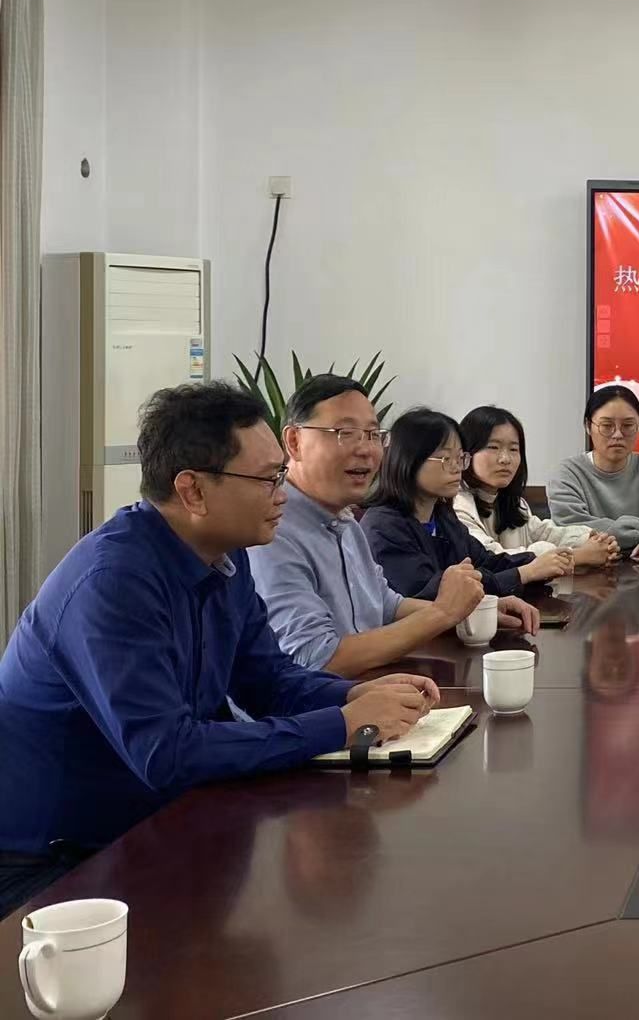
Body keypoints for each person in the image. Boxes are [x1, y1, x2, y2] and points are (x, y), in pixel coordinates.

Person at [0, 382, 438, 918]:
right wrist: (342, 724)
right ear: (193, 491)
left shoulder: (226, 557)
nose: (283, 493)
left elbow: (268, 681)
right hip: (54, 862)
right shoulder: (113, 583)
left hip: (153, 825)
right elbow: (167, 754)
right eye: (268, 478)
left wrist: (355, 696)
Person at [250, 375, 539, 677]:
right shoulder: (271, 530)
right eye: (346, 433)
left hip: (375, 689)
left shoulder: (346, 523)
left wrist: (475, 611)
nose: (366, 449)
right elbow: (315, 658)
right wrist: (442, 613)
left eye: (373, 435)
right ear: (294, 442)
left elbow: (387, 605)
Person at [361, 408, 575, 599]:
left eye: (460, 458)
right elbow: (429, 593)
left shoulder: (442, 517)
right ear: (408, 460)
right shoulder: (384, 526)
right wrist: (525, 573)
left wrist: (538, 561)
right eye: (446, 459)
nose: (457, 468)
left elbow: (485, 562)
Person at [456, 405, 619, 569]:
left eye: (513, 449)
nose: (505, 459)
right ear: (466, 453)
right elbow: (490, 559)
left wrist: (592, 539)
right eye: (493, 447)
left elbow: (544, 532)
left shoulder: (513, 503)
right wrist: (578, 556)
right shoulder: (457, 505)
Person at [549, 385, 639, 561]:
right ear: (588, 426)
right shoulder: (567, 473)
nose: (617, 434)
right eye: (606, 425)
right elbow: (573, 531)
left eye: (628, 425)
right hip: (586, 570)